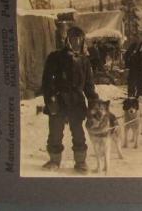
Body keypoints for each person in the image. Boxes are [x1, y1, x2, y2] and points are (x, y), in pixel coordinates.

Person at [41, 26, 99, 173]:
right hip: (58, 100)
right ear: (67, 39)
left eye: (79, 39)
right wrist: (50, 99)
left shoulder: (85, 61)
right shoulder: (55, 57)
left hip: (76, 102)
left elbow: (89, 86)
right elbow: (47, 81)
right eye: (73, 38)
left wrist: (94, 103)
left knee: (78, 133)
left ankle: (80, 162)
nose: (76, 41)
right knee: (55, 132)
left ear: (83, 41)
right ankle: (54, 160)